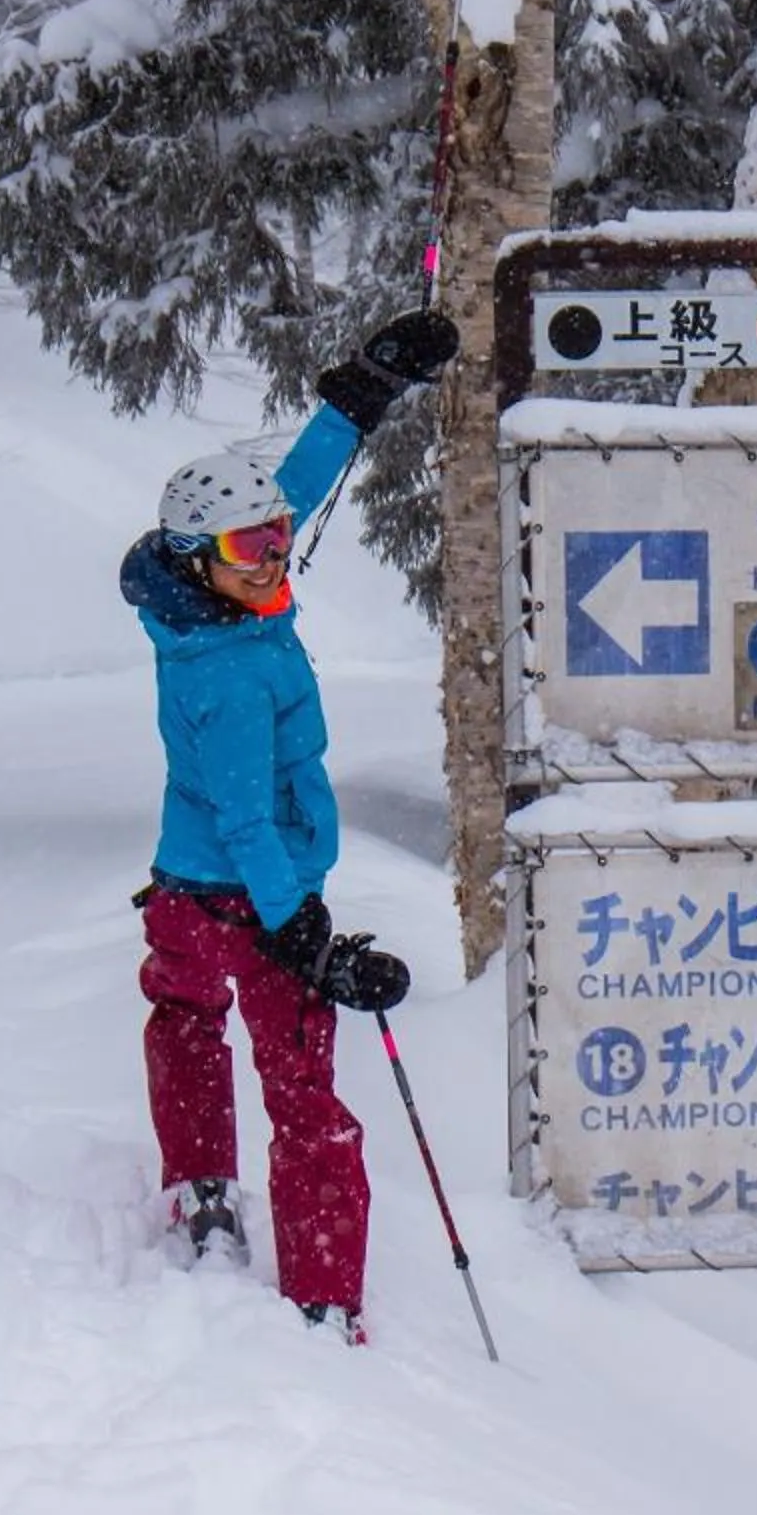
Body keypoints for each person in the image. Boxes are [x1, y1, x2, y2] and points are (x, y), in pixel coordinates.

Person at [120, 308, 458, 1342]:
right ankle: (321, 1298)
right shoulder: (222, 670)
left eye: (275, 541)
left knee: (185, 1020)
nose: (276, 558)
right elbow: (246, 819)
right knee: (304, 1088)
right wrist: (302, 932)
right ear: (196, 556)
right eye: (251, 547)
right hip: (245, 892)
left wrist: (363, 393)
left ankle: (203, 1182)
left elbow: (292, 492)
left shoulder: (211, 601)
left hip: (184, 887)